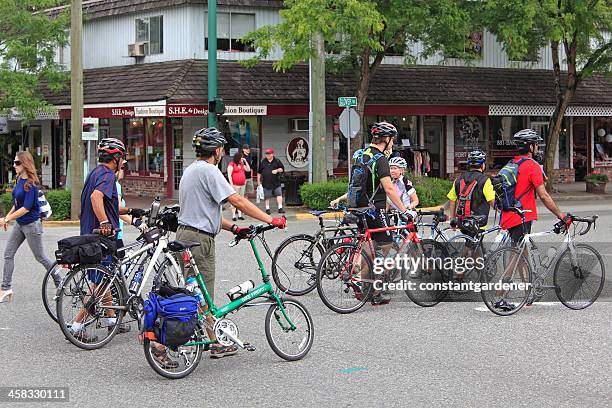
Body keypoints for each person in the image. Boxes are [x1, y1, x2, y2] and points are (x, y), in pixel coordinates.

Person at [177, 127, 286, 359]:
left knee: (195, 291)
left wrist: (234, 227)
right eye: (222, 149)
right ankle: (207, 341)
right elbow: (236, 200)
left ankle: (211, 338)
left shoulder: (190, 171)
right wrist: (271, 219)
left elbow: (206, 211)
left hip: (184, 235)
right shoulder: (210, 171)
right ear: (216, 150)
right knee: (201, 294)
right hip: (199, 241)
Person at [69, 138, 145, 342]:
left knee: (104, 275)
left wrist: (131, 211)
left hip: (89, 233)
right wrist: (104, 222)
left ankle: (112, 320)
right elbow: (96, 197)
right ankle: (76, 325)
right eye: (123, 158)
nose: (124, 163)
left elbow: (108, 204)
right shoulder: (108, 175)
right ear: (117, 158)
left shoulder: (95, 172)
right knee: (101, 282)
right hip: (102, 236)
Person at [495, 129, 568, 311]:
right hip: (522, 217)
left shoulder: (512, 163)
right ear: (530, 146)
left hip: (509, 215)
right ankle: (499, 295)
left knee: (522, 255)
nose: (538, 148)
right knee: (515, 257)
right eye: (536, 144)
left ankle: (529, 290)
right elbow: (543, 195)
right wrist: (561, 215)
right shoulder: (532, 165)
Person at [356, 122, 412, 305]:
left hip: (359, 208)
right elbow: (389, 187)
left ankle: (365, 290)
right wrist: (404, 211)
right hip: (376, 209)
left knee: (368, 251)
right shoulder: (380, 159)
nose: (393, 143)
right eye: (392, 139)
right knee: (385, 248)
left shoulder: (361, 155)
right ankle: (376, 292)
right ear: (386, 139)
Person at [0, 151, 54, 303]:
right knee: (8, 254)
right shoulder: (19, 180)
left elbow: (26, 208)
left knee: (40, 257)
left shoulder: (31, 184)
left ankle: (58, 278)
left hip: (31, 225)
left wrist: (6, 218)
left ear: (25, 164)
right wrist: (8, 220)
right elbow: (17, 204)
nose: (14, 165)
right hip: (20, 224)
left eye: (17, 163)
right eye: (14, 162)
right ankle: (6, 288)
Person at [447, 149, 496, 235]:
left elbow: (452, 199)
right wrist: (503, 210)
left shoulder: (458, 179)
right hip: (478, 222)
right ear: (482, 165)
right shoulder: (485, 180)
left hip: (462, 221)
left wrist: (453, 219)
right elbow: (491, 201)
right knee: (472, 247)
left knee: (470, 244)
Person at [257, 148, 285, 215]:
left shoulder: (277, 161)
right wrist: (258, 182)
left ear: (272, 154)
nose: (268, 155)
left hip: (276, 182)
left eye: (269, 154)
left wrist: (277, 170)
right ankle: (267, 209)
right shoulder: (263, 162)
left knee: (279, 194)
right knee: (267, 196)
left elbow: (282, 169)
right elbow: (259, 172)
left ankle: (280, 208)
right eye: (266, 154)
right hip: (266, 182)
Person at [227, 151, 250, 221]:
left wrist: (245, 161)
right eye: (241, 157)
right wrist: (231, 184)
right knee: (234, 200)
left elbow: (248, 169)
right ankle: (234, 215)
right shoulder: (231, 164)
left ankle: (240, 215)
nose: (242, 158)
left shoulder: (242, 164)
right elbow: (229, 175)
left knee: (241, 199)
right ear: (238, 158)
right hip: (235, 185)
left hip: (242, 185)